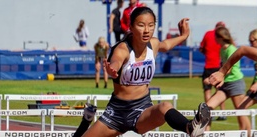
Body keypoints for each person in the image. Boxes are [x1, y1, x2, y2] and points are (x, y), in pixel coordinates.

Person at [81, 7, 211, 137]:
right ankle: (85, 123)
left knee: (164, 106)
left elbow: (165, 45)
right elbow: (116, 61)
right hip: (117, 113)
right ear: (130, 27)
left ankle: (190, 128)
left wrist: (183, 36)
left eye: (151, 25)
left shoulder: (153, 44)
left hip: (142, 109)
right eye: (141, 25)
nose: (147, 30)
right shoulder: (122, 49)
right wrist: (112, 69)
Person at [203, 27, 251, 132]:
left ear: (220, 37)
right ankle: (205, 133)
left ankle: (248, 134)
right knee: (207, 108)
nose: (214, 38)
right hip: (225, 84)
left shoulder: (231, 49)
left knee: (241, 113)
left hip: (235, 83)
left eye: (215, 36)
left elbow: (228, 69)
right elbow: (223, 68)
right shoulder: (222, 49)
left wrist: (211, 78)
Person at [199, 21, 227, 121]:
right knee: (220, 91)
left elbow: (201, 48)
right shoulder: (223, 38)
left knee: (207, 90)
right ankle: (223, 112)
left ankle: (209, 113)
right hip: (219, 67)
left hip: (209, 65)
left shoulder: (208, 34)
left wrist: (207, 53)